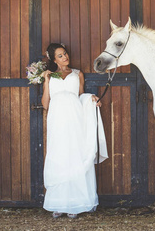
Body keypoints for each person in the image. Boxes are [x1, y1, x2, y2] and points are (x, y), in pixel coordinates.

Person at [41, 43, 108, 219]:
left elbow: (80, 97)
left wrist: (91, 98)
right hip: (57, 120)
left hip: (75, 118)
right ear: (53, 59)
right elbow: (45, 104)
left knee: (74, 155)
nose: (65, 57)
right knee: (59, 155)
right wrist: (46, 82)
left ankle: (76, 203)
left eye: (65, 54)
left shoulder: (78, 74)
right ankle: (59, 202)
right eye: (60, 56)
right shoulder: (50, 76)